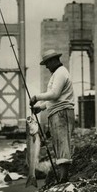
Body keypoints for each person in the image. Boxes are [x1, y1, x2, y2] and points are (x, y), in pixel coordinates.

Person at [29, 49, 75, 184]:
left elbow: (54, 94)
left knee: (62, 144)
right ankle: (62, 177)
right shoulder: (57, 73)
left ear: (53, 61)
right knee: (58, 144)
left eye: (47, 64)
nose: (46, 67)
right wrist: (41, 107)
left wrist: (37, 97)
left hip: (62, 113)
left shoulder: (60, 73)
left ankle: (64, 178)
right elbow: (55, 98)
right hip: (57, 113)